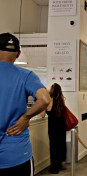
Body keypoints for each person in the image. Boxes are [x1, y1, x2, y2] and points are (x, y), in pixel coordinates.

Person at [0, 33, 51, 176]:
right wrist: (25, 118)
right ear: (18, 54)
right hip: (16, 154)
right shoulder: (25, 75)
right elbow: (45, 99)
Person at [45, 83, 67, 174]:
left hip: (53, 127)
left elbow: (42, 115)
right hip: (62, 126)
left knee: (54, 146)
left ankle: (54, 168)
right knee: (61, 144)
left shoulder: (49, 101)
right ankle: (60, 164)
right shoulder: (61, 100)